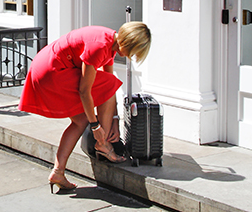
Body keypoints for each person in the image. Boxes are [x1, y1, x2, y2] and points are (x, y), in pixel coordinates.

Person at [19, 22, 152, 192]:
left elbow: (108, 90)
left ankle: (58, 172)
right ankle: (103, 145)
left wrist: (115, 121)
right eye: (133, 52)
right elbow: (84, 91)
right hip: (51, 71)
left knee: (80, 121)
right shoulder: (99, 47)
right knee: (89, 113)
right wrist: (96, 127)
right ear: (128, 44)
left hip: (46, 67)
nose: (130, 57)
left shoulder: (110, 41)